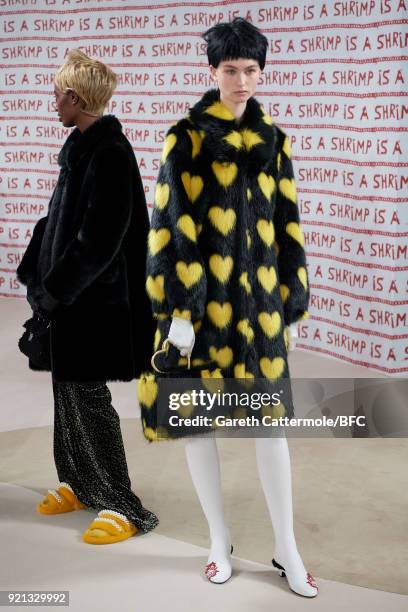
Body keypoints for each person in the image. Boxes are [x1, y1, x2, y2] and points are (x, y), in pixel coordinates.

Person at [140, 18, 318, 596]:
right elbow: (170, 228)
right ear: (211, 71)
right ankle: (219, 540)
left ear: (262, 72)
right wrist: (182, 314)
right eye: (231, 70)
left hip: (261, 306)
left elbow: (287, 227)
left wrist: (290, 306)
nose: (242, 81)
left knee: (271, 428)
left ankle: (286, 548)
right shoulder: (185, 138)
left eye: (251, 70)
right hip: (202, 311)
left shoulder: (274, 141)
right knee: (197, 426)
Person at [17, 49, 158, 544]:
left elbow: (100, 239)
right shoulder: (80, 148)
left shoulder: (109, 153)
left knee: (89, 396)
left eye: (58, 94)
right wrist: (37, 267)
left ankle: (123, 503)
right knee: (65, 391)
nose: (53, 102)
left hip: (96, 303)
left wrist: (55, 291)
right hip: (69, 301)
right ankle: (78, 481)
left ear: (76, 99)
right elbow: (59, 220)